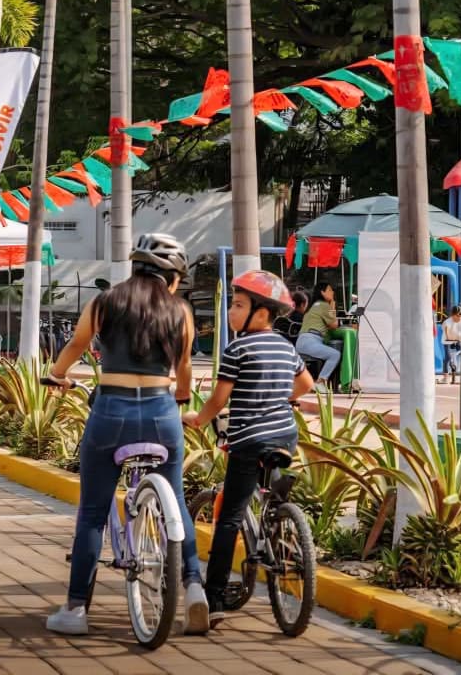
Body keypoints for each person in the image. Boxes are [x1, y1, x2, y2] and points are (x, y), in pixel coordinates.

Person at [43, 233, 209, 637]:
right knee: (178, 502)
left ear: (136, 267)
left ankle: (76, 609)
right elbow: (184, 366)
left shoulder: (105, 302)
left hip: (110, 410)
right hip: (161, 412)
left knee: (93, 513)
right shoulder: (180, 310)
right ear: (172, 278)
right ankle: (192, 588)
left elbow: (76, 345)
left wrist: (58, 375)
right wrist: (183, 394)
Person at [182, 270, 313, 628]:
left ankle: (216, 598)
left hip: (247, 439)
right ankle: (279, 517)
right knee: (269, 485)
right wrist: (279, 399)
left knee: (229, 518)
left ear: (262, 312)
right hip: (285, 434)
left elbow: (218, 400)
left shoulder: (237, 348)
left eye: (239, 305)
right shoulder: (286, 347)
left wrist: (197, 418)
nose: (231, 312)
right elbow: (306, 383)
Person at [295, 280, 341, 391]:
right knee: (335, 354)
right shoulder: (324, 305)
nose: (332, 292)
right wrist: (333, 307)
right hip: (311, 341)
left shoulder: (312, 306)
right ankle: (321, 382)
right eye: (329, 290)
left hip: (301, 341)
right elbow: (334, 324)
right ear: (322, 292)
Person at [441, 306, 461, 384]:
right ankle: (446, 377)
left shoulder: (460, 321)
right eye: (457, 315)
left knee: (454, 358)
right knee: (448, 358)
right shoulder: (447, 322)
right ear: (453, 315)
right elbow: (448, 334)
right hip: (447, 342)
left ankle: (454, 377)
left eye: (460, 315)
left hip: (456, 341)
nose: (459, 316)